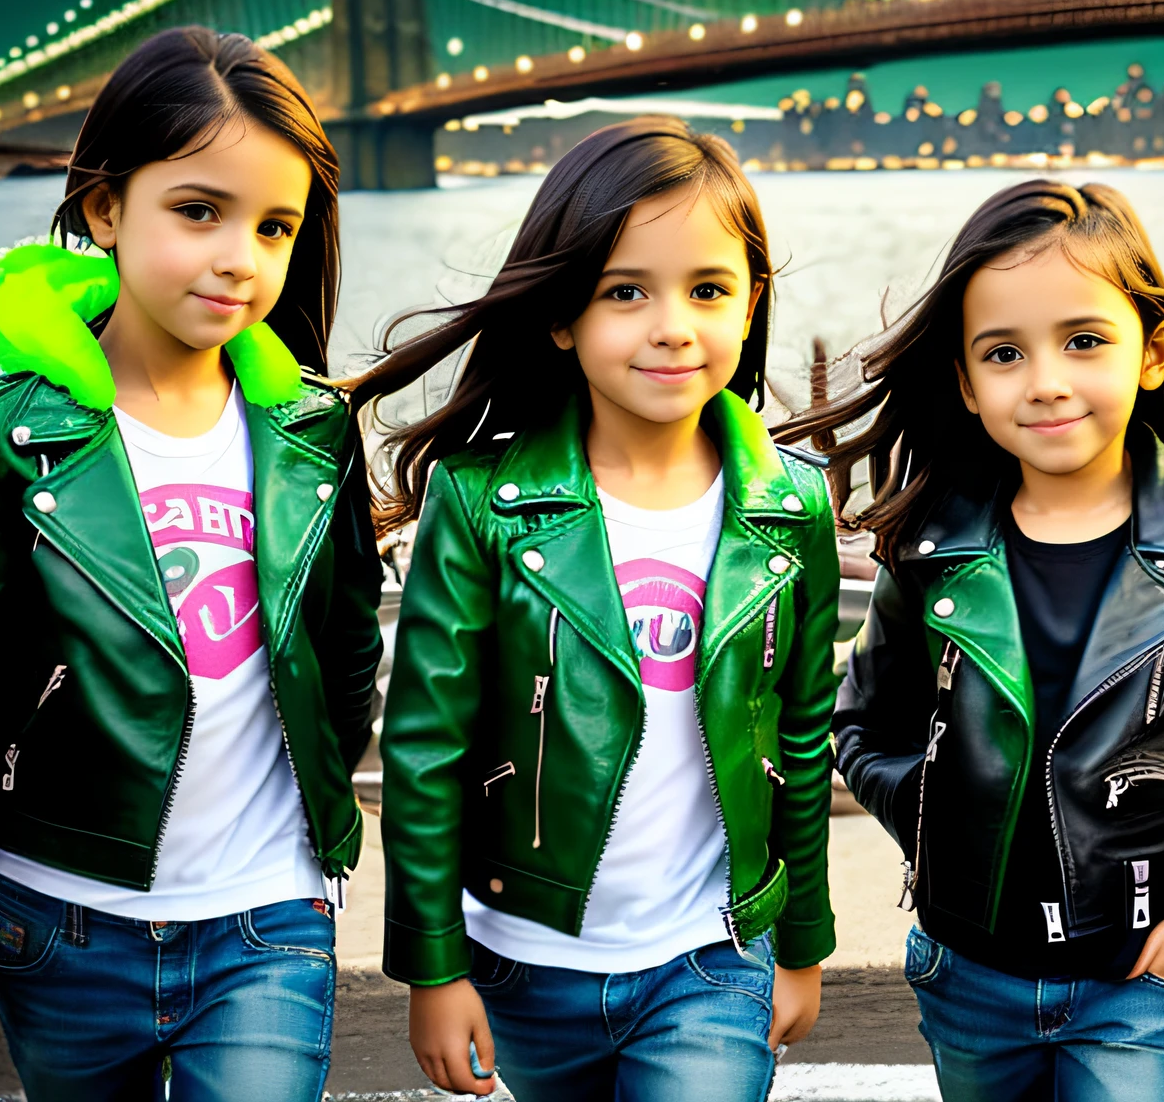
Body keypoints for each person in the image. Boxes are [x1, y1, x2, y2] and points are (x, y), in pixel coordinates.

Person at [0, 26, 380, 1101]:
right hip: (60, 917)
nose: (238, 256)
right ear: (105, 208)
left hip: (268, 912)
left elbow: (348, 645)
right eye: (197, 211)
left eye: (274, 224)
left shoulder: (312, 432)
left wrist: (317, 817)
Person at [345, 116, 839, 1101]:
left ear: (750, 306)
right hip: (524, 956)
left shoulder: (792, 506)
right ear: (562, 315)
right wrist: (431, 965)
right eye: (625, 292)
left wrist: (803, 942)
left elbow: (802, 732)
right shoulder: (481, 501)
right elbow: (425, 745)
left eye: (708, 289)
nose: (671, 325)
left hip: (713, 952)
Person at [782, 180, 1164, 1100]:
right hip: (968, 971)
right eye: (1004, 353)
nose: (1047, 380)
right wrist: (941, 813)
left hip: (1138, 976)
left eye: (1084, 341)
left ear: (1152, 352)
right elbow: (862, 724)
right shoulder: (932, 544)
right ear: (966, 382)